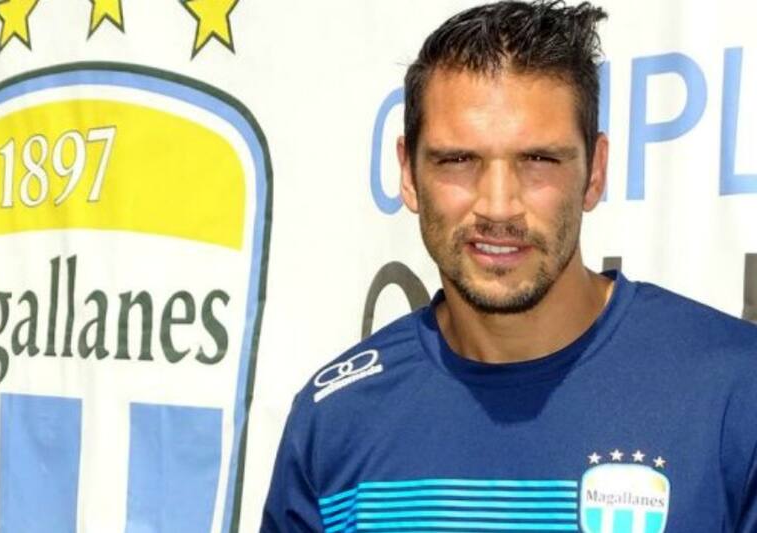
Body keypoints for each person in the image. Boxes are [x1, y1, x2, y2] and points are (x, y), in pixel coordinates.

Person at [261, 2, 757, 531]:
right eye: (458, 160)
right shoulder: (336, 420)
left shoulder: (736, 392)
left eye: (538, 160)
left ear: (595, 173)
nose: (498, 207)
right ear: (408, 174)